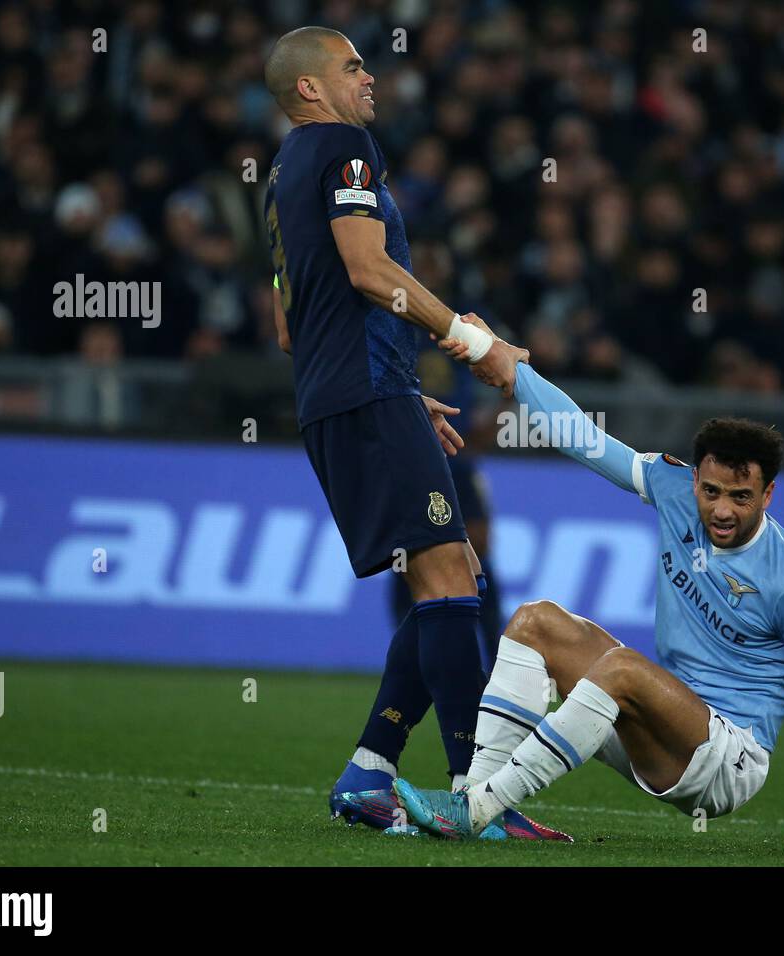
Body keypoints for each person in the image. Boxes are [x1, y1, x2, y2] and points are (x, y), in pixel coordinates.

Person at [262, 27, 564, 840]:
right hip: (366, 393)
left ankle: (370, 772)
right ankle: (479, 796)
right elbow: (367, 270)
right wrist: (473, 342)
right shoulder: (346, 148)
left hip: (342, 397)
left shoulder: (280, 176)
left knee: (452, 571)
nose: (369, 76)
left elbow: (291, 325)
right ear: (309, 91)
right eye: (352, 65)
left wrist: (397, 388)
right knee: (451, 586)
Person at [394, 327, 784, 854]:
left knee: (622, 668)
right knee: (535, 621)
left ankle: (478, 809)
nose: (722, 509)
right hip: (652, 724)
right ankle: (474, 797)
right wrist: (514, 371)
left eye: (741, 496)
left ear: (768, 493)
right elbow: (582, 437)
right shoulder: (673, 487)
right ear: (695, 480)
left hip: (728, 760)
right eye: (710, 492)